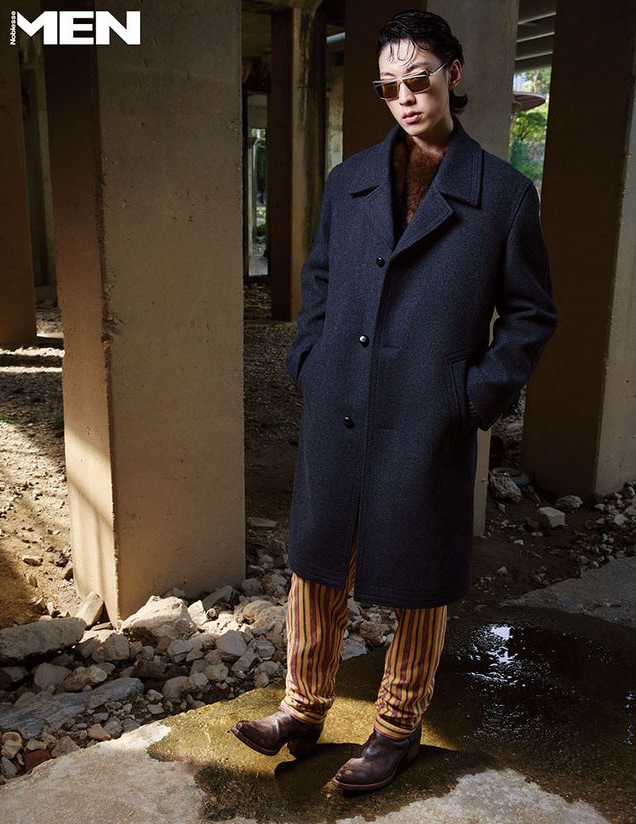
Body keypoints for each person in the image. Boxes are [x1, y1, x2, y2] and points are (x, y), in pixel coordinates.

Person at [230, 9, 558, 794]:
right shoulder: (349, 182)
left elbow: (531, 315)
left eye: (418, 80)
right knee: (318, 562)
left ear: (453, 75)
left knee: (419, 577)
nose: (405, 98)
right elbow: (318, 279)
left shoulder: (504, 195)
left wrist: (469, 396)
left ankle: (398, 727)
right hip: (340, 398)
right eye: (388, 88)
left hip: (427, 412)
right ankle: (302, 708)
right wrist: (310, 359)